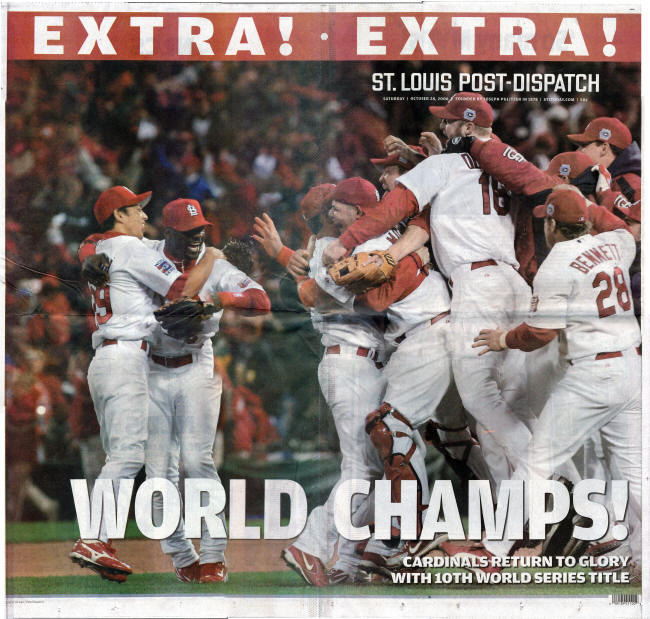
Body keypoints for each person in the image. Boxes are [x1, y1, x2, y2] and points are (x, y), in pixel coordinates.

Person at [323, 93, 534, 488]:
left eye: (450, 122)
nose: (443, 126)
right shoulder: (502, 168)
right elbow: (429, 220)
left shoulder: (444, 165)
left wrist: (345, 242)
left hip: (477, 285)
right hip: (513, 282)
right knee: (507, 410)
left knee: (482, 403)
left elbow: (397, 206)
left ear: (468, 127)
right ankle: (519, 521)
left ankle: (547, 485)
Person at [459, 188, 641, 583]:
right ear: (588, 221)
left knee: (536, 462)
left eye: (547, 219)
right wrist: (593, 201)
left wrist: (502, 339)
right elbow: (625, 228)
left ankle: (493, 552)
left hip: (593, 375)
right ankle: (641, 558)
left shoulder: (558, 264)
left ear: (553, 224)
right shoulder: (615, 244)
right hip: (632, 370)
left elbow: (540, 334)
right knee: (635, 472)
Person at [69, 186, 219, 583]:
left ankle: (100, 544)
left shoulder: (103, 248)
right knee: (128, 456)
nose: (144, 218)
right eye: (137, 210)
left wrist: (87, 250)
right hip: (125, 356)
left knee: (119, 454)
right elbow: (181, 289)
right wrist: (216, 260)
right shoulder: (130, 249)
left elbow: (89, 243)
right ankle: (94, 538)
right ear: (119, 216)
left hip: (107, 358)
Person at [144, 198, 270, 584]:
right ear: (167, 233)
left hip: (197, 363)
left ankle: (214, 556)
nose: (197, 237)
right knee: (159, 473)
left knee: (198, 462)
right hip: (149, 367)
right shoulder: (146, 256)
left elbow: (261, 301)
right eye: (187, 232)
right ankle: (182, 556)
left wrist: (220, 298)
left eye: (201, 230)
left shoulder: (216, 265)